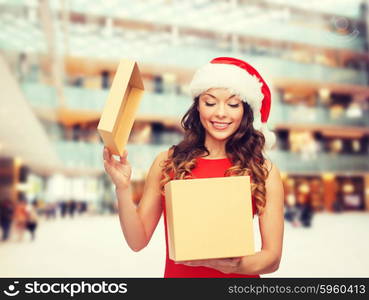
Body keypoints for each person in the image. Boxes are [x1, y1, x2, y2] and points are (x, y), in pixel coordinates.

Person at [103, 57, 284, 278]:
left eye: (233, 104)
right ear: (197, 106)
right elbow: (137, 240)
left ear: (245, 112)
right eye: (210, 102)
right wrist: (122, 188)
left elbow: (272, 258)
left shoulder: (262, 170)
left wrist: (234, 267)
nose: (221, 113)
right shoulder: (168, 162)